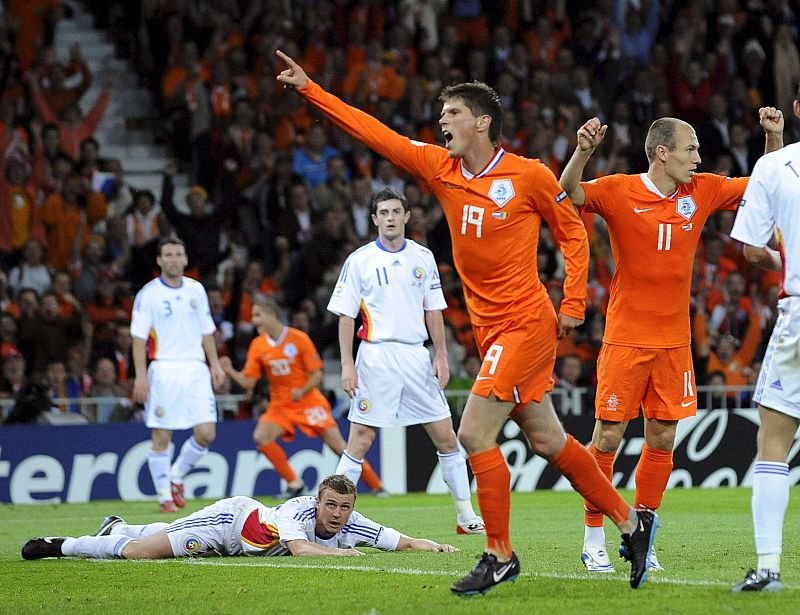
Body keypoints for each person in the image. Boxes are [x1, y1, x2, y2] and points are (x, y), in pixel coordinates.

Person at [276, 49, 657, 594]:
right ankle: (630, 523)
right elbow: (376, 134)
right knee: (548, 439)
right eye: (441, 116)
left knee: (472, 432)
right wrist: (312, 89)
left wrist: (574, 300)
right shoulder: (440, 168)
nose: (442, 123)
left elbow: (573, 230)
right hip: (490, 332)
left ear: (481, 121)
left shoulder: (527, 175)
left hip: (526, 323)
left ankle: (498, 554)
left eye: (451, 113)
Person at [558, 109, 783, 573]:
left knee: (662, 435)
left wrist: (774, 136)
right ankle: (594, 537)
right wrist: (582, 151)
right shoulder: (620, 190)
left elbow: (767, 181)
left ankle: (642, 537)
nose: (699, 157)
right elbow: (570, 191)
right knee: (608, 435)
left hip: (675, 343)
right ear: (662, 153)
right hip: (625, 338)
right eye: (691, 148)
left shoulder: (700, 191)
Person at [327, 187, 484, 536]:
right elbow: (346, 317)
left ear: (407, 217)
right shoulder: (360, 260)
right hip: (376, 355)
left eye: (396, 212)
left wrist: (441, 355)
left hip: (416, 354)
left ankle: (464, 514)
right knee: (361, 438)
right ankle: (329, 522)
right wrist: (347, 364)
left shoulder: (423, 257)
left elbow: (434, 309)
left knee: (446, 436)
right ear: (374, 220)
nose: (390, 219)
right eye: (383, 213)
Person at [21, 474, 456, 560]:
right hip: (230, 523)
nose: (338, 515)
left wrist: (435, 546)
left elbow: (401, 541)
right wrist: (344, 556)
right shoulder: (296, 511)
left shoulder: (352, 521)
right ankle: (61, 544)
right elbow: (302, 548)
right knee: (140, 554)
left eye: (345, 508)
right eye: (331, 506)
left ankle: (119, 527)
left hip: (243, 547)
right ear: (317, 502)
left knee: (164, 535)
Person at [729, 93, 800, 593]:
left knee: (774, 441)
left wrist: (788, 263)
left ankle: (769, 569)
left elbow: (754, 251)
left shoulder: (774, 165)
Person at [220, 297, 385, 496]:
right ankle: (295, 484)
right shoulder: (258, 345)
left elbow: (317, 374)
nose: (254, 320)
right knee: (261, 437)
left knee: (338, 445)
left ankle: (377, 486)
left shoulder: (298, 339)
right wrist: (229, 371)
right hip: (280, 405)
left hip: (308, 401)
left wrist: (302, 390)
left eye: (258, 315)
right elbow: (249, 382)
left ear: (272, 315)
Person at [130, 238, 225, 513]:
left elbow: (207, 331)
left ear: (185, 259)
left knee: (206, 433)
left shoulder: (196, 290)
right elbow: (138, 339)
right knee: (162, 435)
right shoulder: (148, 294)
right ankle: (164, 497)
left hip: (195, 368)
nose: (173, 259)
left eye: (178, 254)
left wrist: (215, 365)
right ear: (159, 260)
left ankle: (176, 476)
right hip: (163, 368)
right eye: (168, 255)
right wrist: (140, 376)